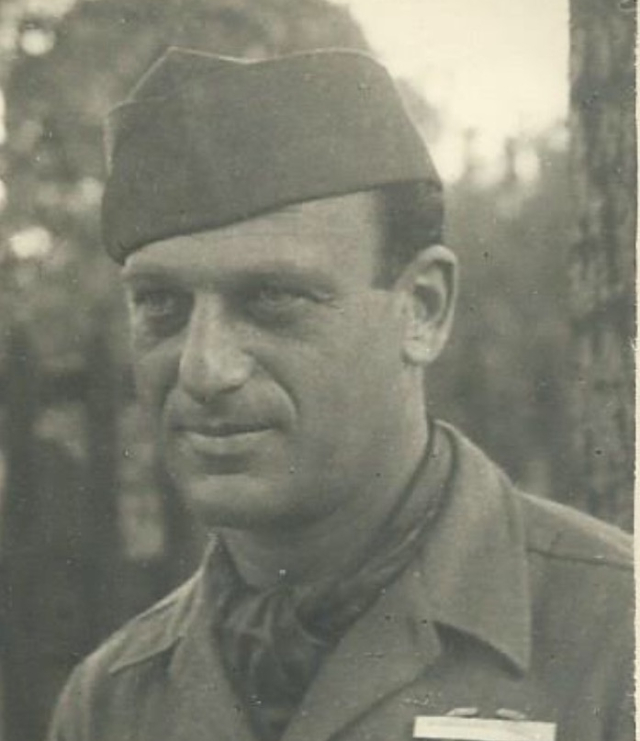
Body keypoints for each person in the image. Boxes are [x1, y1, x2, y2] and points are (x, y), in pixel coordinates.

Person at [48, 47, 633, 741]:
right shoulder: (112, 702)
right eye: (160, 303)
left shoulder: (615, 638)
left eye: (272, 298)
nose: (205, 370)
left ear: (422, 309)